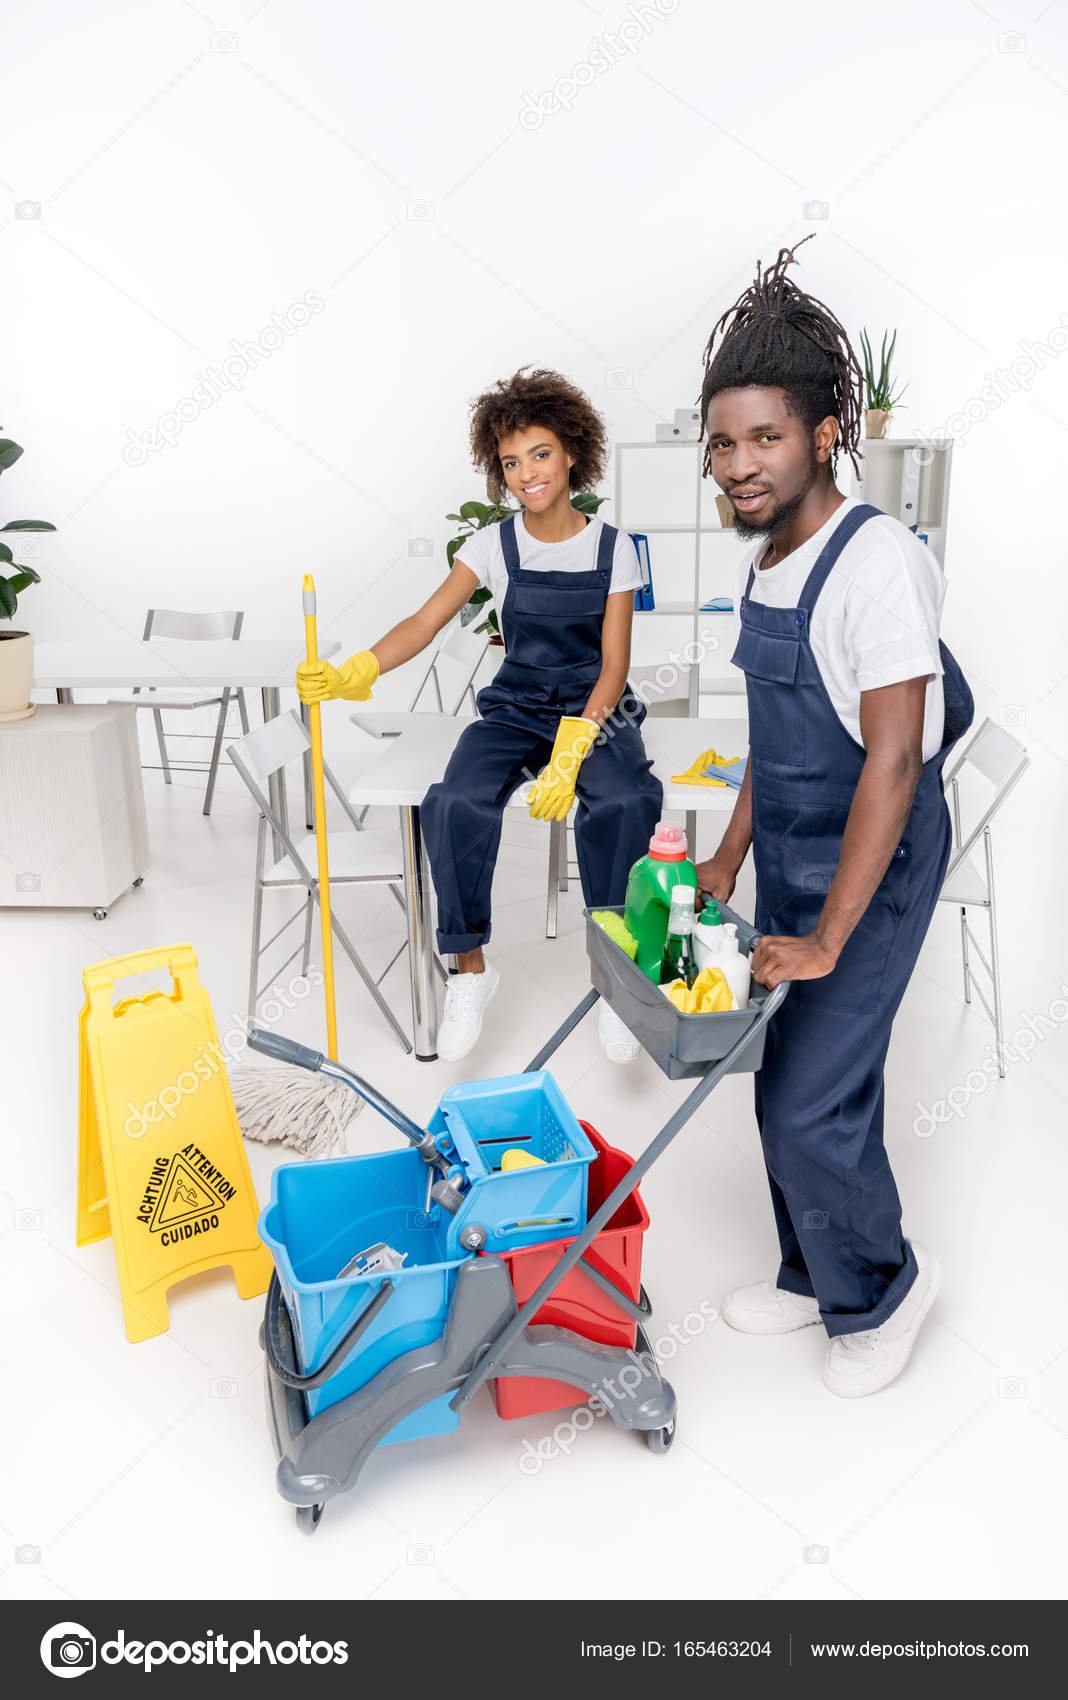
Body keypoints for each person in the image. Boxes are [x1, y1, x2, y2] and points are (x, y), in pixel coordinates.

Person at [695, 238, 974, 1398]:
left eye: (766, 436)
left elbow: (894, 760)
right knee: (782, 1075)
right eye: (723, 441)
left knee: (816, 1093)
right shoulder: (771, 559)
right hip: (801, 842)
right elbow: (777, 735)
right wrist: (726, 857)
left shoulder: (877, 566)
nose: (740, 462)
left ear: (824, 434)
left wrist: (824, 937)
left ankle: (886, 1289)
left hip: (881, 851)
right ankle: (813, 1270)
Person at [297, 366, 663, 1063]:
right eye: (511, 462)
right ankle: (471, 967)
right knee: (456, 801)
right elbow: (425, 621)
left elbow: (614, 666)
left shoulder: (614, 548)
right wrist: (359, 669)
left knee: (622, 802)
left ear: (574, 453)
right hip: (518, 708)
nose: (527, 473)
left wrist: (576, 747)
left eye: (541, 453)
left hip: (596, 711)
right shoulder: (493, 545)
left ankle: (618, 977)